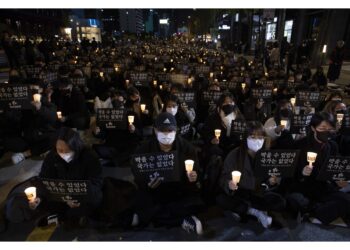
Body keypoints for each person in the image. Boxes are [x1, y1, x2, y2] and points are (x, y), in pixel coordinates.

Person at [5, 127, 103, 226]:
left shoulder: (89, 157)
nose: (63, 154)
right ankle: (67, 217)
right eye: (60, 150)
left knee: (95, 199)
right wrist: (39, 198)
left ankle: (61, 217)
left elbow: (96, 183)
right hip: (60, 197)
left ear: (76, 147)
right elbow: (44, 180)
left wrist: (76, 198)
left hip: (82, 196)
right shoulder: (52, 157)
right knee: (28, 204)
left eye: (68, 151)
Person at [130, 113, 205, 235]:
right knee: (141, 200)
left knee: (194, 202)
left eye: (170, 130)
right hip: (155, 192)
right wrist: (148, 185)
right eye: (162, 130)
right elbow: (138, 177)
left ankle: (152, 217)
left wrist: (193, 177)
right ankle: (182, 220)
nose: (166, 134)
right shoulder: (143, 150)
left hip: (179, 191)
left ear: (176, 131)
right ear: (155, 130)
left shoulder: (187, 148)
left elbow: (197, 174)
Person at [216, 121, 286, 228]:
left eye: (260, 137)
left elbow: (272, 177)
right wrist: (229, 184)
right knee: (221, 199)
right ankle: (255, 212)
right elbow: (223, 178)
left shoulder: (266, 155)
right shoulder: (234, 154)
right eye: (253, 137)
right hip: (240, 193)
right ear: (245, 138)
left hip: (258, 193)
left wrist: (272, 181)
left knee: (280, 202)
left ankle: (248, 211)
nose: (257, 141)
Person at [286, 112, 350, 225]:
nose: (327, 132)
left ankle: (316, 216)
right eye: (323, 128)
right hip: (303, 187)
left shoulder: (332, 146)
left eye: (330, 129)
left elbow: (335, 169)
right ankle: (317, 212)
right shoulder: (299, 145)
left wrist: (339, 179)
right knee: (296, 200)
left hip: (324, 187)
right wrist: (302, 172)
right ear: (313, 128)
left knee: (345, 200)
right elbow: (289, 173)